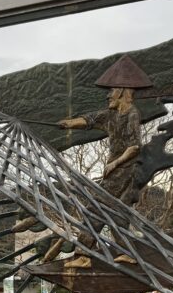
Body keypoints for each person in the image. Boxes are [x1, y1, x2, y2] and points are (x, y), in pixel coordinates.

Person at [57, 54, 152, 206]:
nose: (108, 96)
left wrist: (115, 164)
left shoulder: (132, 114)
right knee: (100, 205)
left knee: (98, 205)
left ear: (121, 92)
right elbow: (89, 120)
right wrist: (69, 123)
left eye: (111, 91)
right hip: (113, 167)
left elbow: (134, 147)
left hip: (126, 169)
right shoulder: (110, 114)